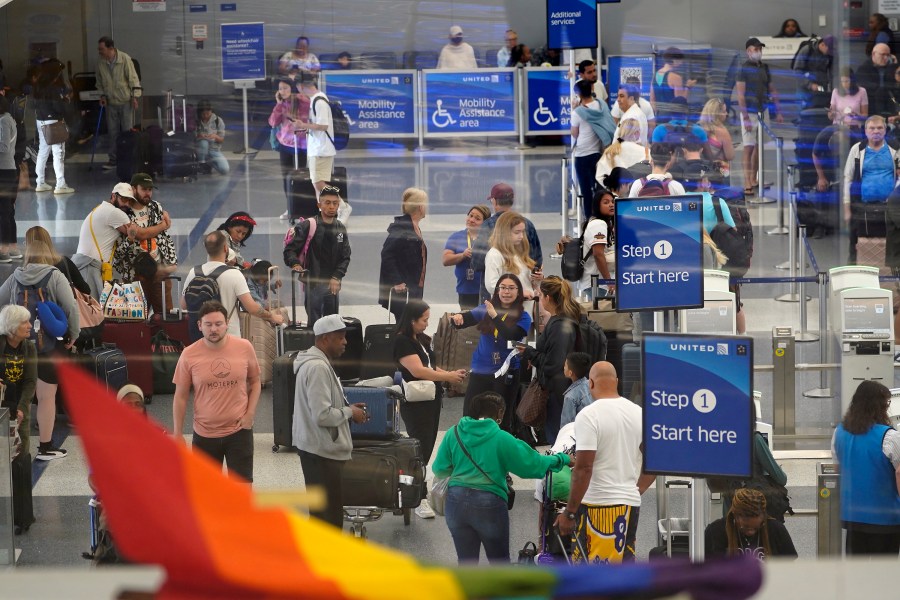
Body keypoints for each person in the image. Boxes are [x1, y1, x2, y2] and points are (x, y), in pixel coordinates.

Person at [432, 391, 572, 564]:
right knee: (500, 563)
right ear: (499, 414)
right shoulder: (502, 438)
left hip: (455, 503)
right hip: (489, 505)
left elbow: (439, 469)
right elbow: (532, 465)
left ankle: (469, 591)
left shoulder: (453, 434)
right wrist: (563, 458)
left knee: (466, 563)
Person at [555, 361, 656, 563]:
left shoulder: (589, 416)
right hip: (629, 504)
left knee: (592, 575)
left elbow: (584, 468)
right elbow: (655, 461)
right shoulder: (638, 412)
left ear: (590, 383)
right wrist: (636, 490)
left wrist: (570, 513)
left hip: (597, 504)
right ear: (616, 382)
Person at [0, 239, 80, 461]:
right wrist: (73, 334)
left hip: (20, 345)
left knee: (18, 396)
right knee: (46, 398)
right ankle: (45, 447)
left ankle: (13, 447)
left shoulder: (15, 276)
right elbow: (71, 306)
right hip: (49, 346)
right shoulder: (54, 275)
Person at [172, 300, 261, 483]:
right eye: (208, 324)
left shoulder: (244, 347)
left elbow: (255, 381)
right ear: (199, 326)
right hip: (204, 435)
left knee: (242, 493)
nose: (214, 329)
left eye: (219, 324)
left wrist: (250, 415)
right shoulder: (189, 354)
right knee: (208, 495)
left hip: (239, 431)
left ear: (227, 323)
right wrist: (178, 433)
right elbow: (180, 397)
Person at [293, 314, 367, 529]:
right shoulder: (317, 368)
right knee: (328, 520)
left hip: (315, 449)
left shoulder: (316, 363)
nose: (345, 342)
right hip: (320, 453)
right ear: (325, 339)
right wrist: (349, 412)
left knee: (322, 516)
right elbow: (322, 415)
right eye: (340, 337)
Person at [394, 300, 467, 519]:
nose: (427, 323)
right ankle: (417, 497)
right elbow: (417, 371)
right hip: (416, 403)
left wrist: (450, 373)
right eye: (424, 319)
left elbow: (430, 367)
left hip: (430, 399)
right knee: (419, 449)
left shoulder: (421, 340)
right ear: (412, 320)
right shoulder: (402, 342)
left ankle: (411, 493)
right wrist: (447, 376)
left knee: (425, 448)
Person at [449, 274, 532, 428]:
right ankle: (469, 448)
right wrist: (457, 318)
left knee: (502, 418)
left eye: (511, 288)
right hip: (481, 369)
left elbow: (510, 335)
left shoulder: (524, 317)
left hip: (506, 372)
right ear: (497, 291)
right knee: (469, 415)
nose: (507, 292)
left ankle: (499, 449)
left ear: (518, 292)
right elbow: (465, 320)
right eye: (503, 288)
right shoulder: (486, 309)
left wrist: (494, 316)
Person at [832, 380, 900, 555]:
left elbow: (839, 468)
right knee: (883, 575)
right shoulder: (889, 436)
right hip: (886, 518)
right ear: (880, 406)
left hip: (852, 516)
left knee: (857, 574)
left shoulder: (839, 432)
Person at [182, 231, 284, 338]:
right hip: (228, 337)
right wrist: (272, 317)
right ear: (226, 248)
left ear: (206, 249)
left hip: (200, 335)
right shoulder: (234, 274)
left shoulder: (193, 272)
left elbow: (184, 304)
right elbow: (252, 307)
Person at [517, 276, 581, 444]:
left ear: (548, 297)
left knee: (558, 438)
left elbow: (554, 363)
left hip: (557, 392)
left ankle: (561, 469)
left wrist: (531, 353)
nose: (538, 296)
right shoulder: (562, 319)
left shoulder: (560, 325)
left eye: (540, 294)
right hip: (559, 389)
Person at [71, 183, 163, 298]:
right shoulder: (115, 213)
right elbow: (141, 234)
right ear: (113, 196)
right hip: (90, 267)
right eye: (124, 199)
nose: (127, 204)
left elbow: (121, 248)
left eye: (130, 201)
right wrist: (163, 226)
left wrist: (130, 239)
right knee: (92, 310)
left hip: (89, 265)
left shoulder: (100, 208)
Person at [283, 186, 351, 327]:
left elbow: (345, 256)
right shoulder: (308, 225)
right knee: (316, 324)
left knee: (332, 324)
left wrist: (337, 276)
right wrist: (295, 263)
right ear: (319, 205)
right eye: (327, 203)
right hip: (313, 283)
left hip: (332, 284)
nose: (331, 207)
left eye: (335, 203)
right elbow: (289, 250)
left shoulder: (340, 228)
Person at [470, 183, 543, 298]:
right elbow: (536, 263)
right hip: (526, 296)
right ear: (512, 200)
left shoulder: (488, 225)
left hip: (495, 298)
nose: (520, 236)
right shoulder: (527, 224)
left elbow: (477, 263)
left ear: (494, 201)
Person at [842, 116, 898, 262]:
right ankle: (853, 271)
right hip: (861, 205)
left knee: (893, 244)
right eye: (872, 128)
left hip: (890, 206)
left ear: (885, 131)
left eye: (879, 128)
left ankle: (893, 277)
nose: (876, 131)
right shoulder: (857, 149)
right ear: (866, 131)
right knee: (854, 245)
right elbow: (847, 178)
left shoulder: (895, 149)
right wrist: (847, 209)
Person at [112, 173, 177, 291]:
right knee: (138, 309)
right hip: (135, 275)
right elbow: (141, 234)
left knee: (165, 309)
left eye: (150, 189)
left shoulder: (156, 207)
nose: (148, 193)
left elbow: (165, 237)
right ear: (133, 189)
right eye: (144, 189)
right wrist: (162, 225)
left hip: (159, 271)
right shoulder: (123, 211)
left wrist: (172, 262)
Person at [736, 38, 784, 195]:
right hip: (749, 111)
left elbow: (772, 89)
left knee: (759, 146)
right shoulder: (743, 69)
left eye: (760, 49)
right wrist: (745, 117)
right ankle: (747, 181)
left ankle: (755, 178)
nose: (758, 52)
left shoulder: (764, 68)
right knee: (748, 147)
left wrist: (778, 110)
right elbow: (740, 95)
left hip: (763, 110)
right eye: (755, 49)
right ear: (748, 51)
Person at [378, 187, 428, 322]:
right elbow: (387, 254)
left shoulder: (413, 227)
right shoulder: (402, 228)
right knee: (405, 326)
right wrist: (397, 281)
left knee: (410, 326)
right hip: (403, 291)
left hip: (414, 288)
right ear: (420, 207)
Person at [705, 488, 798, 560]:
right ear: (735, 515)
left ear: (763, 516)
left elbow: (789, 567)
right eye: (746, 527)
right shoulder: (715, 531)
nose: (750, 533)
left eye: (756, 528)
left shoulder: (776, 529)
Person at [96, 37, 141, 171]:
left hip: (125, 101)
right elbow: (99, 81)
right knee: (113, 133)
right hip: (110, 102)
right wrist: (102, 95)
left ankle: (128, 159)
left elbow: (133, 79)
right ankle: (113, 159)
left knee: (127, 132)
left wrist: (135, 97)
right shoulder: (100, 62)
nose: (99, 51)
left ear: (111, 48)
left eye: (101, 49)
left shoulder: (125, 59)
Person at [269, 78, 310, 220]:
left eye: (286, 88)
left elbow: (307, 113)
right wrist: (278, 104)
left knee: (299, 177)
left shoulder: (302, 102)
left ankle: (301, 208)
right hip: (285, 145)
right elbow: (273, 122)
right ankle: (290, 208)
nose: (283, 91)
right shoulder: (282, 104)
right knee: (286, 178)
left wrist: (298, 97)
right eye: (280, 89)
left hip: (301, 145)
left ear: (292, 89)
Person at [32, 59, 73, 195]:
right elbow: (57, 106)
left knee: (42, 151)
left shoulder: (37, 86)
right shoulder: (53, 88)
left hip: (40, 121)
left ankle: (40, 182)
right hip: (54, 122)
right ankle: (60, 184)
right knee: (58, 153)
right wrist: (65, 101)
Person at [292, 73, 335, 198]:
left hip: (321, 150)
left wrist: (303, 125)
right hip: (318, 148)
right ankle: (324, 214)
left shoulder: (319, 102)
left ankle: (342, 206)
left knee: (318, 184)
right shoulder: (315, 100)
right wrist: (308, 128)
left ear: (300, 86)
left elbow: (323, 126)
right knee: (318, 185)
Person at [442, 204, 490, 310]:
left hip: (486, 290)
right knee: (468, 323)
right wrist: (462, 255)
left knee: (485, 323)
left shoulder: (490, 238)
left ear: (485, 223)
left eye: (477, 218)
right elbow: (445, 260)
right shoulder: (456, 237)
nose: (472, 220)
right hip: (466, 290)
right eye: (470, 216)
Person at [485, 211, 539, 302]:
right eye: (517, 232)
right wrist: (519, 293)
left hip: (526, 306)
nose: (521, 236)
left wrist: (537, 279)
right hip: (508, 310)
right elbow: (492, 286)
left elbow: (525, 282)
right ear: (504, 232)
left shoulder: (519, 252)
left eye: (523, 232)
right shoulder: (494, 254)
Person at [573, 187, 615, 300]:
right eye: (606, 202)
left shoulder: (604, 223)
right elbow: (598, 254)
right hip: (597, 282)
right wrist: (609, 281)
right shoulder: (598, 224)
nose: (611, 205)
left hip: (598, 282)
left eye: (612, 202)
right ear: (598, 205)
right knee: (600, 316)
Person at [571, 80, 604, 220]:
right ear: (591, 88)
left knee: (586, 190)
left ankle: (589, 218)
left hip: (582, 154)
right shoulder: (600, 106)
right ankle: (601, 215)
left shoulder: (578, 112)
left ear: (578, 94)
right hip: (597, 152)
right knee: (598, 187)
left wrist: (574, 109)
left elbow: (574, 133)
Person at [595, 120, 647, 189]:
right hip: (636, 195)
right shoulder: (644, 152)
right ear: (637, 133)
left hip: (614, 194)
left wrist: (614, 189)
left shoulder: (609, 151)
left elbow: (600, 176)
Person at [651, 47, 696, 124]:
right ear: (674, 59)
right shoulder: (676, 77)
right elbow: (680, 101)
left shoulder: (655, 76)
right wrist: (688, 87)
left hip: (659, 117)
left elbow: (652, 100)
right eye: (680, 60)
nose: (681, 63)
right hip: (673, 119)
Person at [698, 98, 736, 186]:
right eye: (724, 111)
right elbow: (730, 156)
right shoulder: (722, 131)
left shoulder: (698, 127)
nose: (726, 114)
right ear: (716, 114)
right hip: (718, 174)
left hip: (700, 173)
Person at [855, 43, 896, 120]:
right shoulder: (864, 68)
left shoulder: (890, 68)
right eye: (883, 55)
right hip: (872, 108)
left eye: (888, 55)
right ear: (874, 54)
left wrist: (894, 66)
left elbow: (894, 85)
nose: (886, 58)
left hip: (889, 107)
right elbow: (866, 88)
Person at [793, 35, 835, 109]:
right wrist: (810, 84)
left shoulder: (829, 56)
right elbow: (797, 71)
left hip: (821, 90)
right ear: (822, 45)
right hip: (804, 90)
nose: (829, 53)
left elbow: (832, 73)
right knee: (804, 114)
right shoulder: (807, 50)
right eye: (828, 50)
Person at [0, 95, 18, 262]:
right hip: (8, 169)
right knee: (7, 211)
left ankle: (4, 250)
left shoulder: (4, 121)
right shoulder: (8, 119)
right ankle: (12, 247)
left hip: (3, 171)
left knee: (3, 212)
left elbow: (3, 146)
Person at [195, 99, 229, 175]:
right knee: (203, 143)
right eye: (203, 114)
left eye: (208, 113)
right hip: (201, 150)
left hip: (214, 150)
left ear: (211, 111)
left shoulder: (218, 121)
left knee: (224, 170)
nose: (206, 116)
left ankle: (209, 163)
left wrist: (215, 136)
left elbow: (221, 140)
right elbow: (191, 138)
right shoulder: (196, 121)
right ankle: (201, 163)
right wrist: (199, 136)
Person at [559, 352, 592, 428]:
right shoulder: (592, 385)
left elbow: (566, 426)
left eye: (565, 365)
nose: (563, 367)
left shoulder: (570, 397)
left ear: (570, 373)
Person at [830, 67, 869, 131]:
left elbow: (865, 116)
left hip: (854, 127)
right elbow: (831, 116)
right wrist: (831, 114)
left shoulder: (862, 91)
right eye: (842, 81)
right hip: (838, 126)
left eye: (846, 81)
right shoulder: (835, 91)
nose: (844, 84)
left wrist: (855, 116)